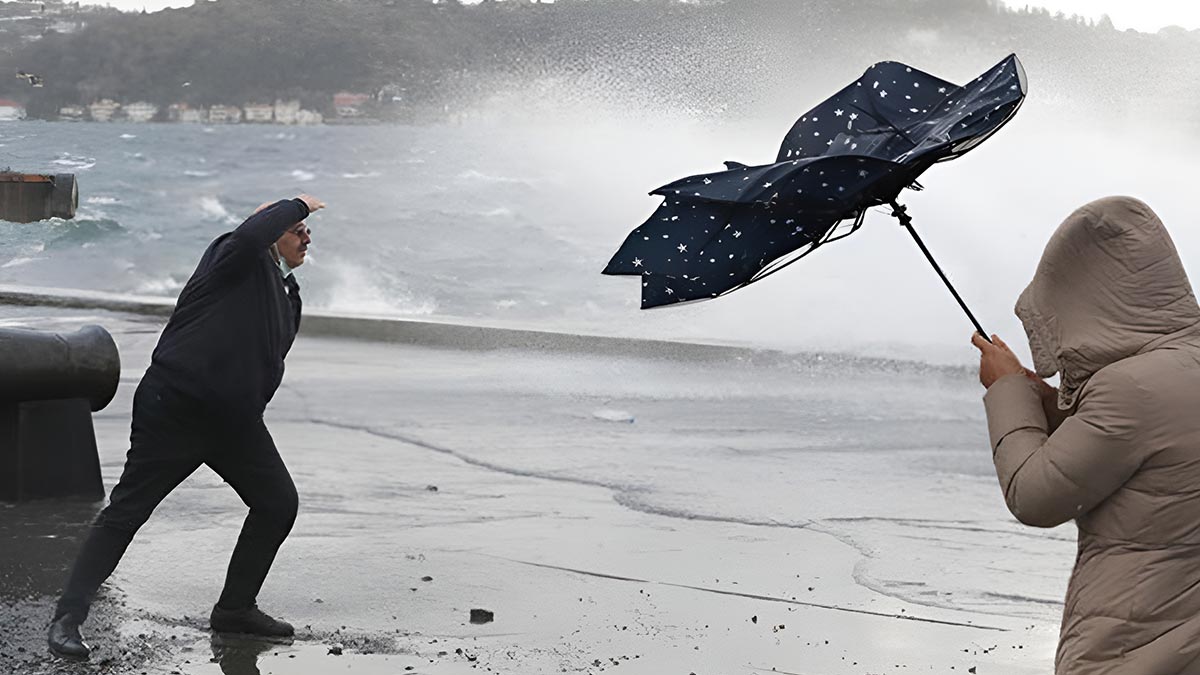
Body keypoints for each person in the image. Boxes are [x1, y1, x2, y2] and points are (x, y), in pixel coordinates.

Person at [48, 194, 324, 660]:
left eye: (306, 229)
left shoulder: (287, 293)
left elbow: (269, 357)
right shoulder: (232, 255)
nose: (307, 236)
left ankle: (235, 609)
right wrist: (297, 203)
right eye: (297, 229)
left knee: (278, 504)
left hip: (234, 424)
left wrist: (251, 403)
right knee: (127, 512)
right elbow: (250, 235)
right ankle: (67, 619)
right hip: (175, 409)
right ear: (270, 231)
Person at [972, 196, 1200, 674]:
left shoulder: (1131, 388)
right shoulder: (1177, 368)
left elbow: (1035, 497)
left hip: (1136, 644)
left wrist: (1007, 390)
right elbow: (1145, 453)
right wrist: (1041, 397)